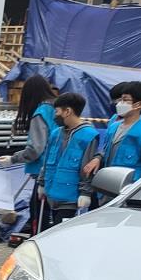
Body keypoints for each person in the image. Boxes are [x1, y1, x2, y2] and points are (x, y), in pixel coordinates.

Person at [0, 74, 56, 234]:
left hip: (43, 172)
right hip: (55, 168)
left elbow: (35, 149)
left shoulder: (40, 114)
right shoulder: (54, 110)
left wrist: (13, 159)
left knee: (38, 211)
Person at [40, 92, 100, 227]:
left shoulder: (88, 136)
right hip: (51, 194)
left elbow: (88, 168)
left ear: (67, 111)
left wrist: (85, 193)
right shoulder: (56, 133)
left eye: (57, 111)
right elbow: (47, 159)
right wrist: (41, 183)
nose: (55, 115)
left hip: (70, 199)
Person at [96, 81, 141, 181]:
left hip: (127, 189)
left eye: (125, 100)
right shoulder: (113, 127)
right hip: (106, 187)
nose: (119, 103)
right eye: (120, 99)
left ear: (138, 104)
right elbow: (106, 152)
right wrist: (97, 158)